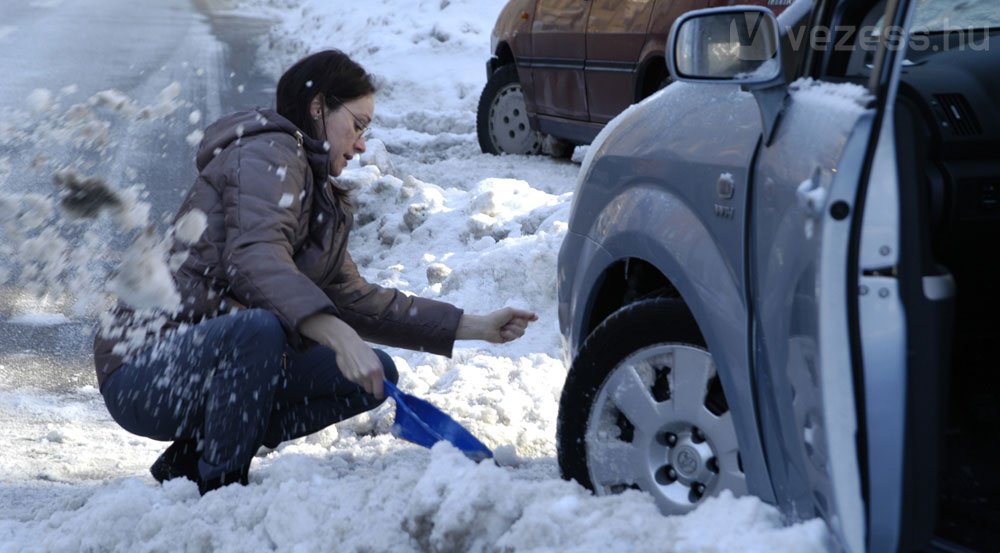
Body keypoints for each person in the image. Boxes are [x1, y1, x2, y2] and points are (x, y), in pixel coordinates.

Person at [94, 49, 537, 495]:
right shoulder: (267, 154)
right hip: (145, 369)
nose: (362, 143)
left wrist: (475, 326)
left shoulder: (317, 194)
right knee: (259, 330)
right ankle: (221, 486)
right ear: (318, 106)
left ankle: (193, 461)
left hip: (210, 365)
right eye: (358, 124)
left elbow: (356, 298)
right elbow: (255, 255)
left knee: (373, 374)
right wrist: (337, 335)